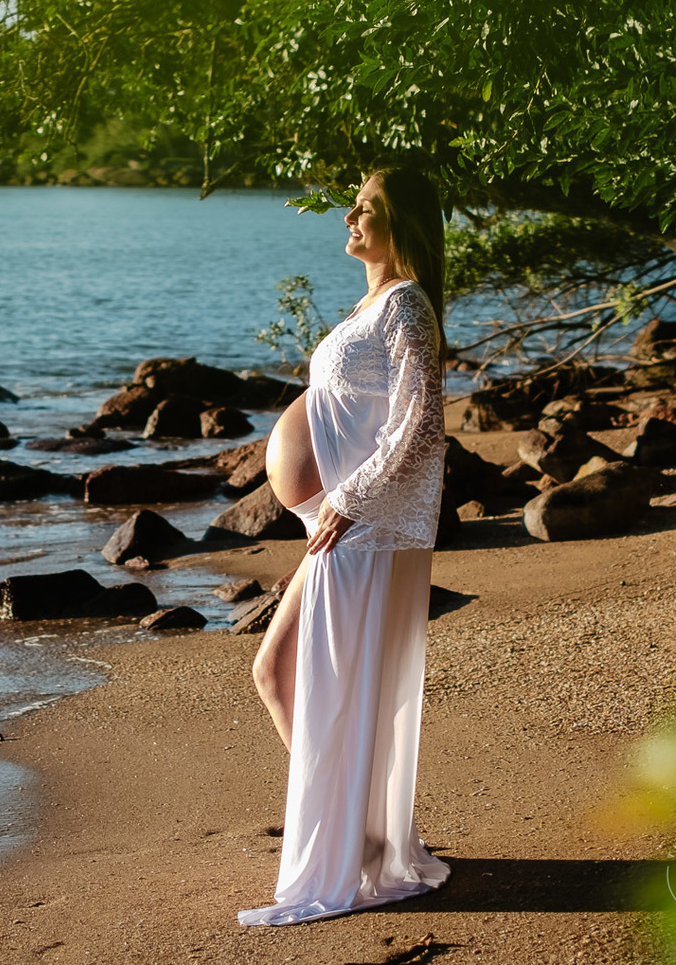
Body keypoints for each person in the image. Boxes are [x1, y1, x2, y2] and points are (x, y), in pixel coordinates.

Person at [238, 165, 452, 926]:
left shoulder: (406, 306)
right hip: (334, 524)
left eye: (366, 212)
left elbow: (419, 422)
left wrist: (350, 500)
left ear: (402, 225)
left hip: (357, 527)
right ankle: (359, 833)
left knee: (293, 677)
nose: (349, 222)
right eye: (353, 211)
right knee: (274, 673)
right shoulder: (373, 304)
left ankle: (351, 849)